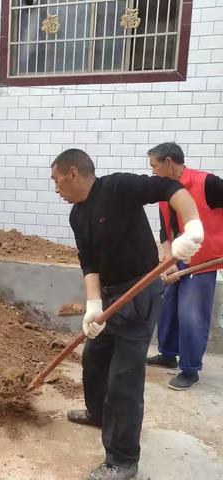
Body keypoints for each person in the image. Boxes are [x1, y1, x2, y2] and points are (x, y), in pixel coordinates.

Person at [51, 149, 203, 480]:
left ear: (73, 173)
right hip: (108, 296)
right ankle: (98, 414)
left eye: (56, 180)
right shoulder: (78, 215)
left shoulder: (117, 187)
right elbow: (88, 262)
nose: (56, 189)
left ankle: (122, 460)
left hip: (140, 294)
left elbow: (169, 189)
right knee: (94, 358)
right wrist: (93, 306)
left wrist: (192, 227)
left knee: (124, 377)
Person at [146, 142, 223, 390]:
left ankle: (190, 370)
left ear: (169, 162)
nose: (153, 172)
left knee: (191, 313)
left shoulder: (207, 183)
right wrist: (168, 261)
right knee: (168, 307)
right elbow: (165, 231)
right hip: (176, 258)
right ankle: (168, 354)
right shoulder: (165, 191)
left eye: (155, 166)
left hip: (203, 261)